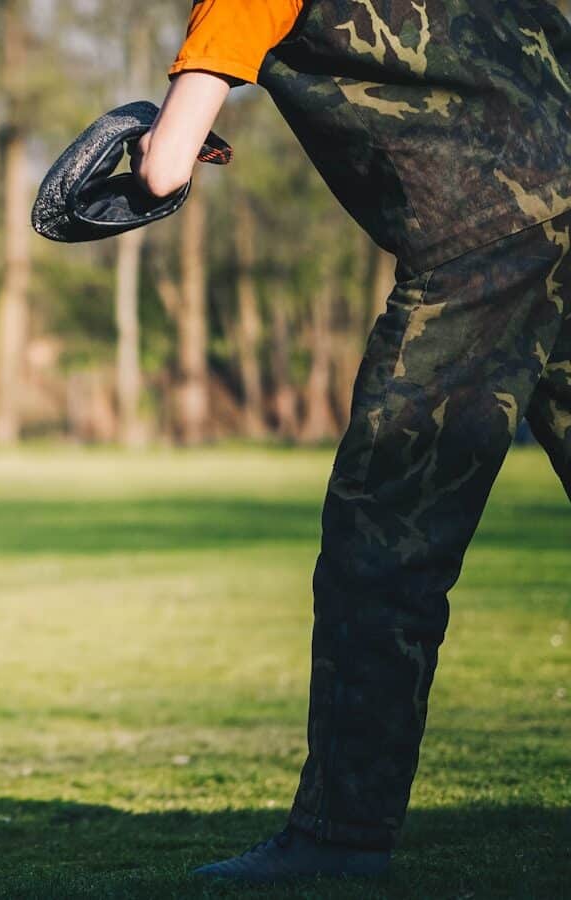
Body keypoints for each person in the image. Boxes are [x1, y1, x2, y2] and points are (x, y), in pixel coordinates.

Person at [133, 0, 571, 881]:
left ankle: (339, 838)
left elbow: (163, 168)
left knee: (382, 545)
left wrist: (147, 150)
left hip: (484, 240)